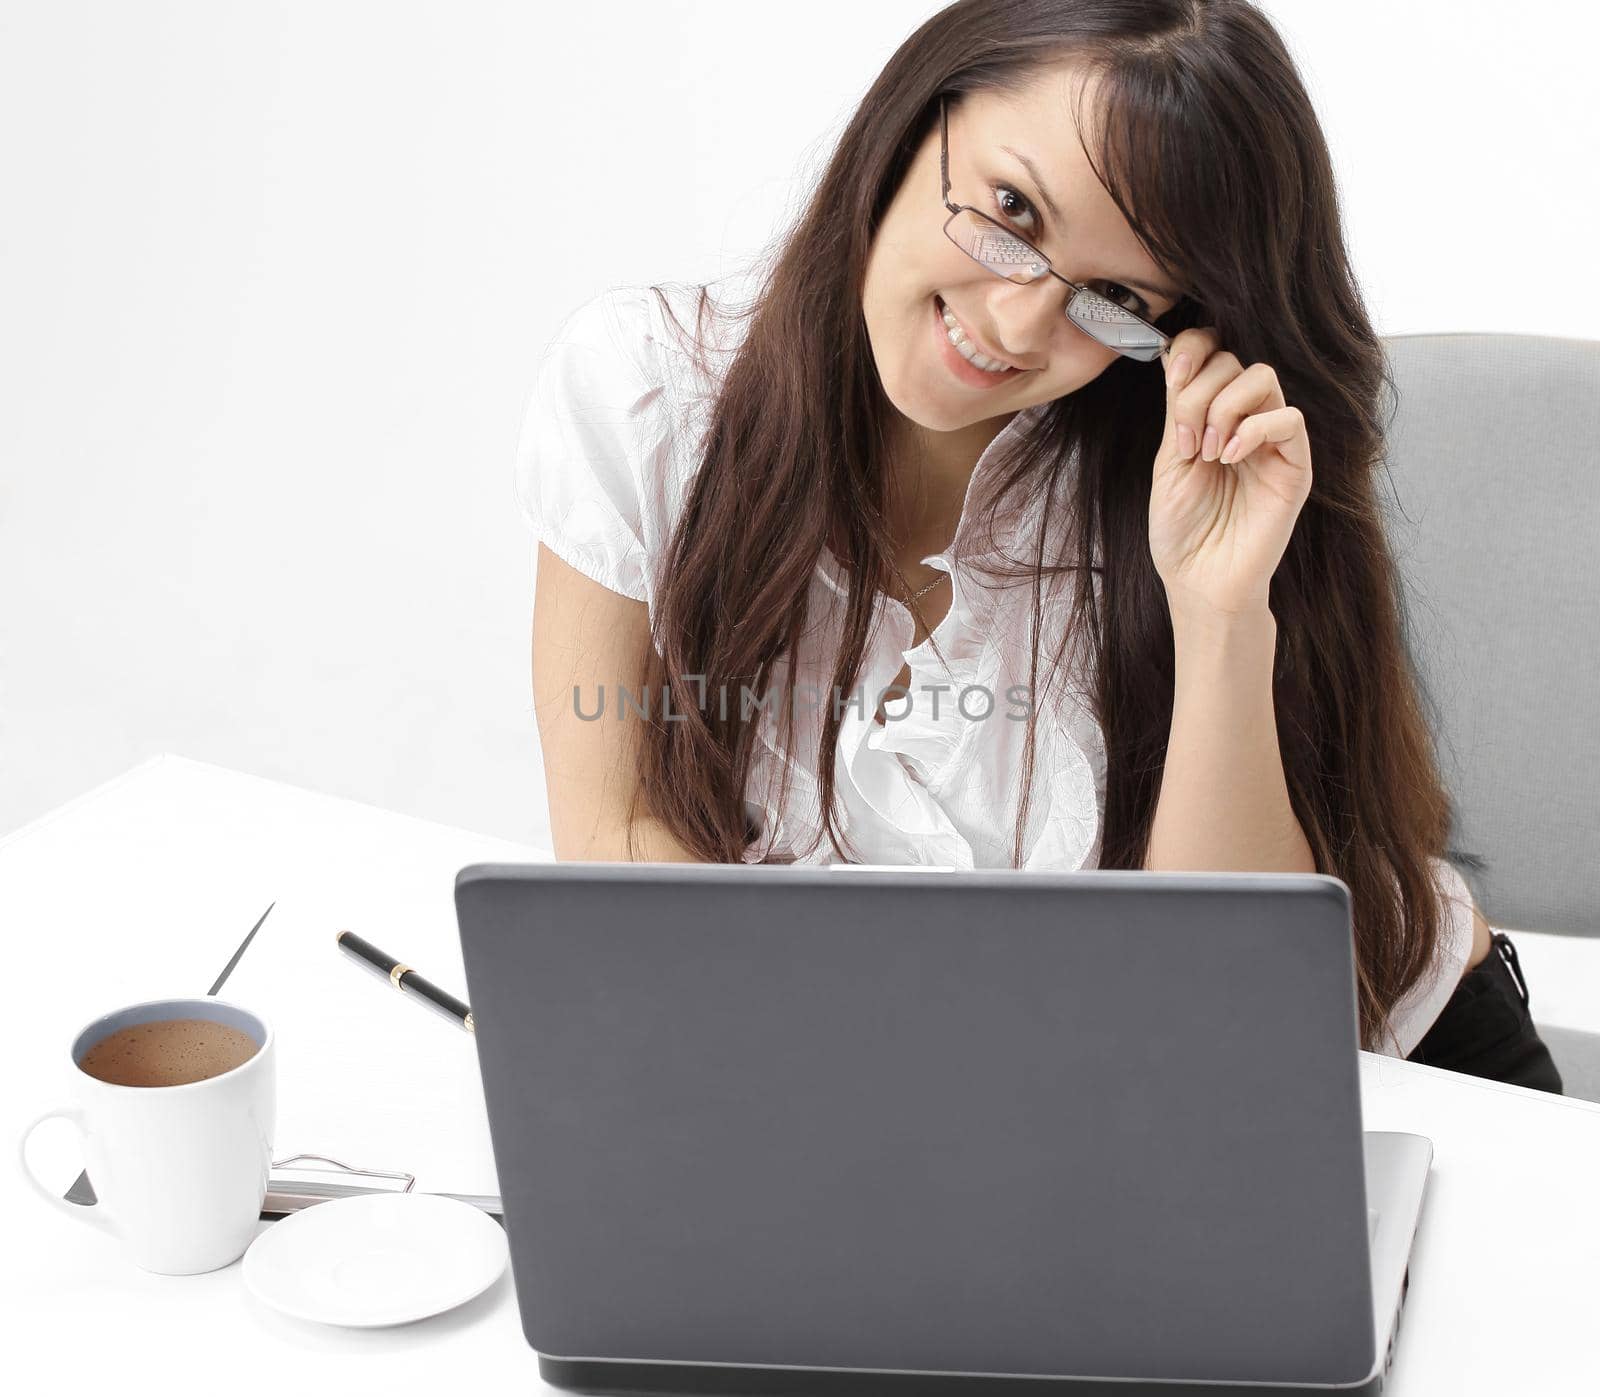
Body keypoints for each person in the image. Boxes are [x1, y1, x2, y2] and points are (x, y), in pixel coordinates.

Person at [515, 0, 1562, 1091]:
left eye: (1114, 296)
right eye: (1010, 209)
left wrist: (1215, 610)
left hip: (1372, 1073)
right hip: (958, 1099)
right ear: (915, 117)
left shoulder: (1189, 471)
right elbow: (615, 838)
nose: (1017, 326)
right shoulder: (647, 393)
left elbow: (1217, 1010)